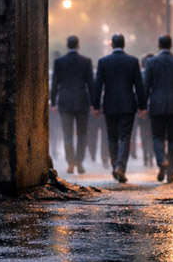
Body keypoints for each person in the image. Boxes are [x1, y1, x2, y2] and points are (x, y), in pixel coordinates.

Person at [92, 34, 147, 183]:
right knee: (125, 137)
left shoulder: (103, 62)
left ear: (111, 45)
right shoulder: (133, 61)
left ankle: (115, 165)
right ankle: (120, 167)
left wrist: (96, 106)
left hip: (109, 105)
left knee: (112, 137)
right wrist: (142, 106)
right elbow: (139, 86)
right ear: (124, 45)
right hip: (128, 104)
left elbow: (98, 86)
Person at [144, 34, 173, 184]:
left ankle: (161, 160)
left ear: (158, 45)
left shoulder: (151, 62)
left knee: (157, 137)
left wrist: (142, 105)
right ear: (171, 45)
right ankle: (171, 173)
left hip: (157, 106)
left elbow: (146, 86)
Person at [50, 35, 94, 174]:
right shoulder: (86, 61)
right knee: (82, 133)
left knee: (67, 134)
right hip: (82, 102)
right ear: (78, 45)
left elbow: (55, 83)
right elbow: (91, 84)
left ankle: (70, 163)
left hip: (65, 103)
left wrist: (53, 102)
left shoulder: (59, 62)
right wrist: (94, 103)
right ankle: (79, 162)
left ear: (67, 45)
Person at [138, 53, 156, 167]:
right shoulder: (157, 74)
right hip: (155, 108)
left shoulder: (139, 74)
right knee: (154, 133)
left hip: (142, 108)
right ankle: (153, 155)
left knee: (144, 133)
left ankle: (145, 155)